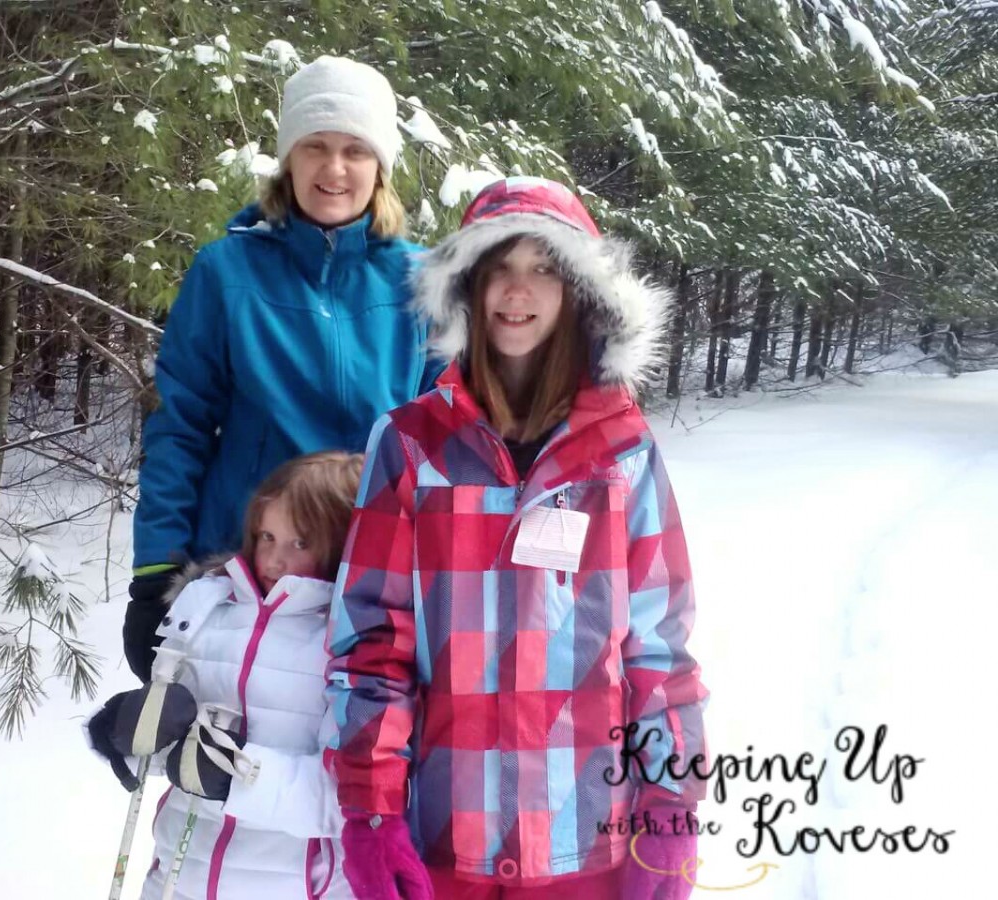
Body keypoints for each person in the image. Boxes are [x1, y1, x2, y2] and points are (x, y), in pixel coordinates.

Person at [326, 177, 709, 900]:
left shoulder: (623, 453)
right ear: (468, 285)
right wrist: (370, 812)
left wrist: (672, 807)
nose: (517, 289)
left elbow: (659, 652)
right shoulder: (410, 447)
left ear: (577, 293)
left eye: (543, 268)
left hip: (587, 843)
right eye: (499, 265)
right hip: (447, 844)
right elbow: (372, 645)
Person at [125, 55, 441, 683]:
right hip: (247, 574)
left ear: (379, 166)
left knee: (360, 767)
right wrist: (155, 571)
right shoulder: (226, 273)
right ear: (288, 159)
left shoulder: (422, 281)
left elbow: (444, 438)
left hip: (372, 576)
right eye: (315, 146)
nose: (334, 168)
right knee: (228, 766)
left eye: (355, 149)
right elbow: (180, 427)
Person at [89, 451, 364, 900]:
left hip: (294, 887)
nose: (274, 559)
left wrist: (238, 776)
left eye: (300, 543)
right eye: (267, 536)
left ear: (341, 542)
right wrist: (126, 731)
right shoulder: (205, 609)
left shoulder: (350, 641)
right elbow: (169, 750)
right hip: (177, 879)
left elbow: (348, 799)